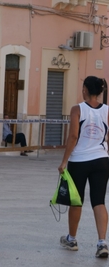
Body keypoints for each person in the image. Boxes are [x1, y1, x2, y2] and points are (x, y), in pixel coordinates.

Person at [58, 76, 109, 258]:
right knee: (99, 201)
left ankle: (72, 239)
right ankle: (102, 242)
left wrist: (64, 161)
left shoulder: (77, 109)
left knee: (76, 200)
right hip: (102, 159)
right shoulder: (107, 111)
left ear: (85, 90)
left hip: (79, 160)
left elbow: (73, 137)